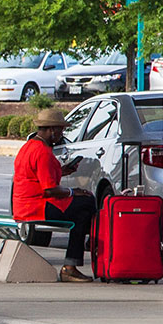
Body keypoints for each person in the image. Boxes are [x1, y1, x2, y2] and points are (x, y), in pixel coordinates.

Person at [13, 109, 97, 282]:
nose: (61, 134)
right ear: (52, 130)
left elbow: (39, 177)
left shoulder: (28, 147)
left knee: (81, 215)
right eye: (60, 130)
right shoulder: (42, 152)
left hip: (24, 205)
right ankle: (77, 259)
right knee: (87, 202)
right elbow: (50, 190)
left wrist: (63, 171)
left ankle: (72, 265)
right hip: (37, 207)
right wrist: (74, 192)